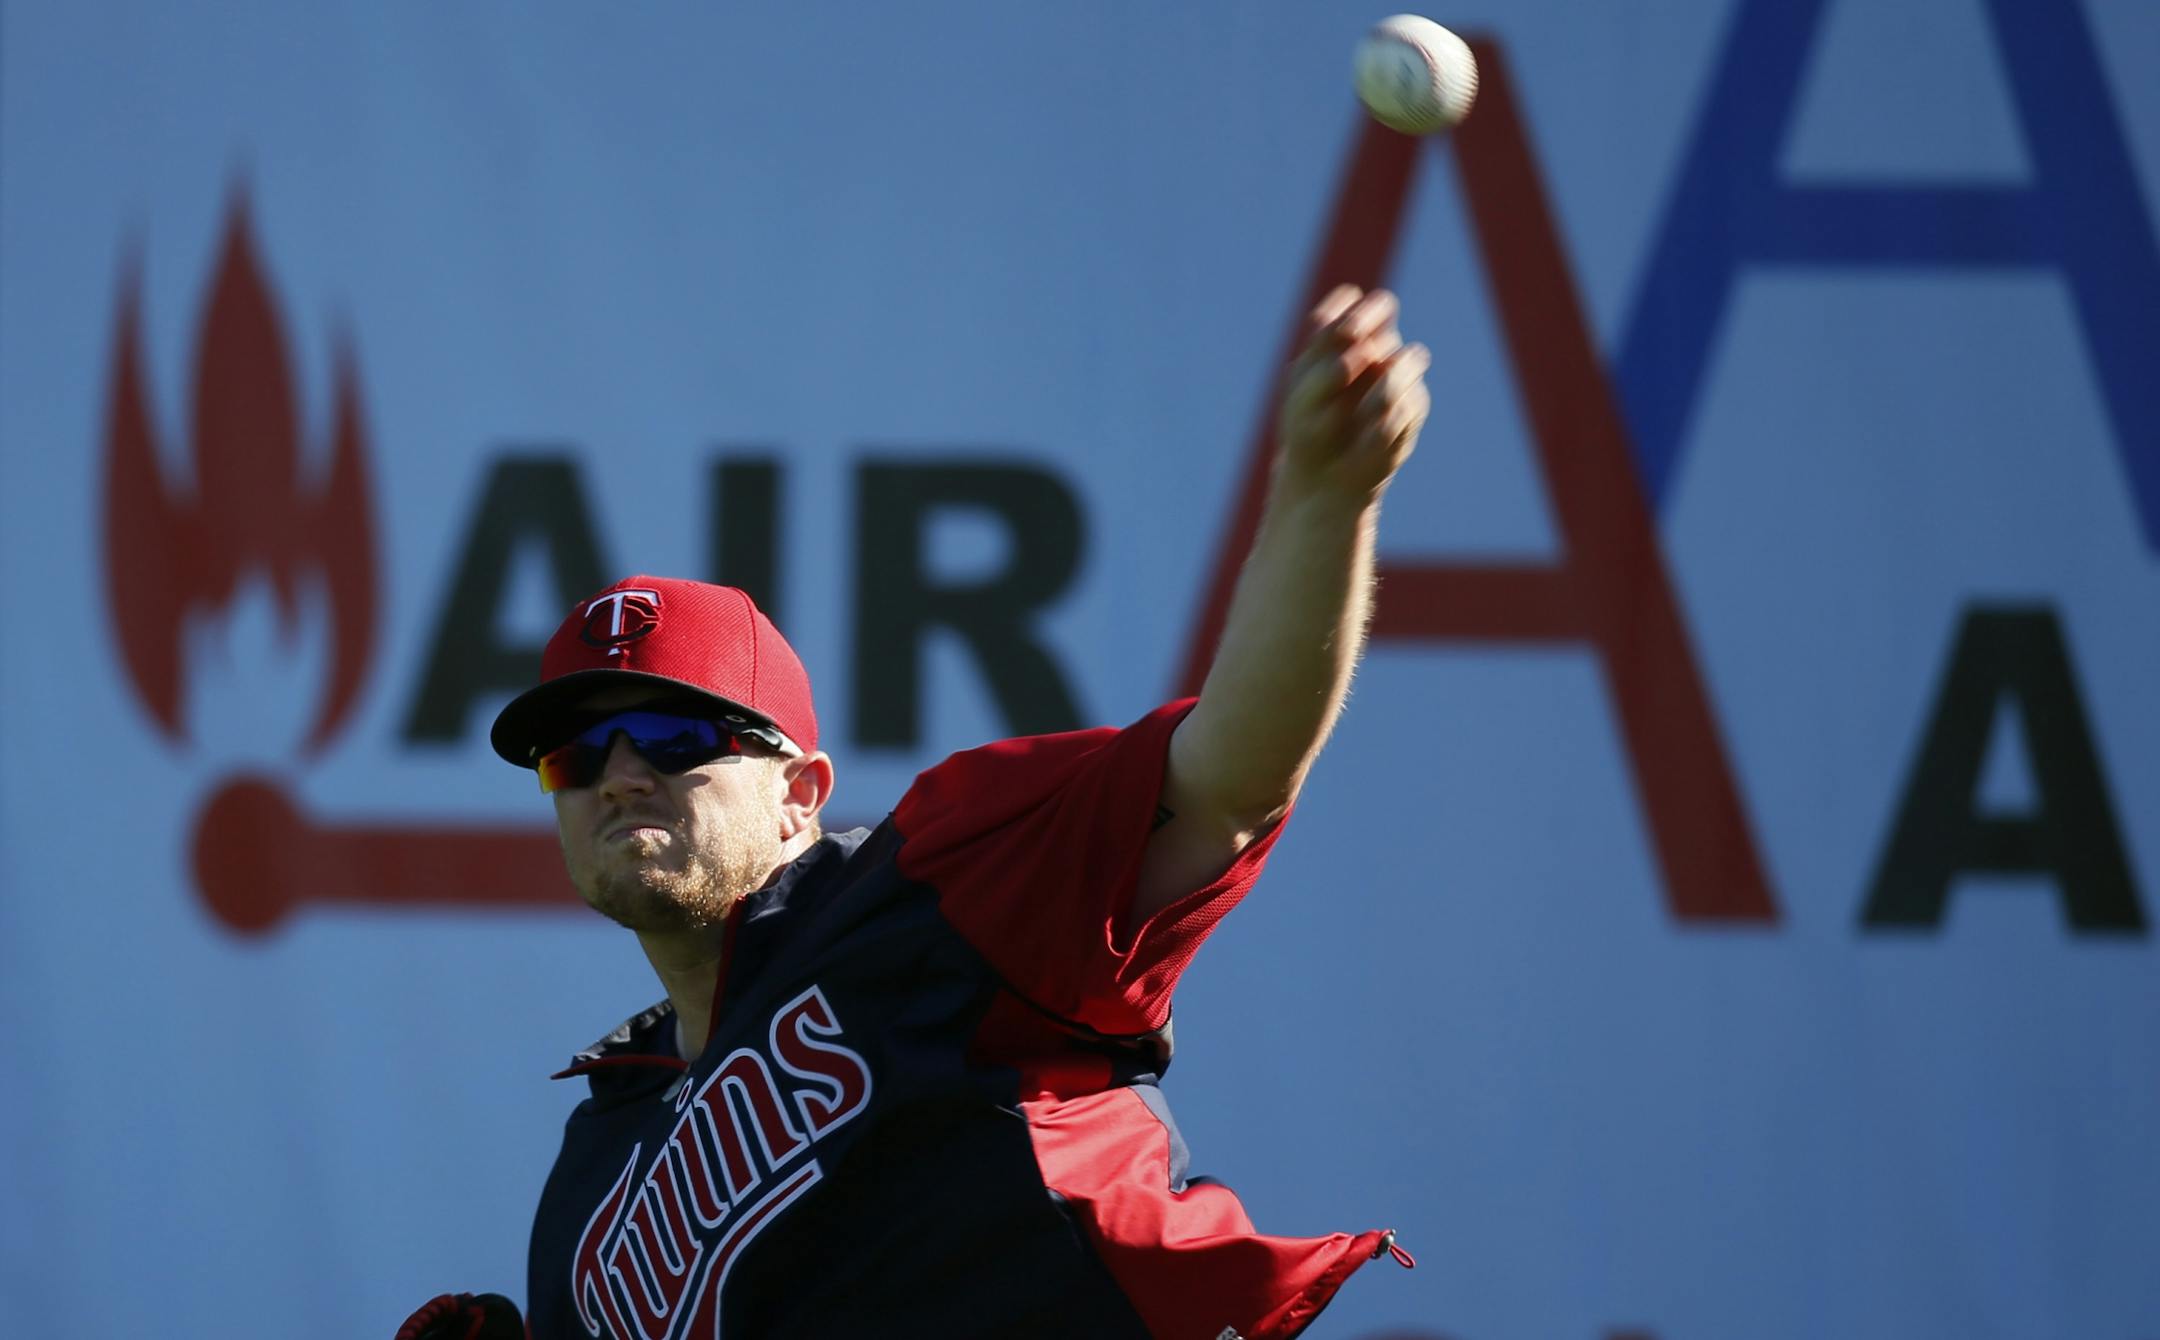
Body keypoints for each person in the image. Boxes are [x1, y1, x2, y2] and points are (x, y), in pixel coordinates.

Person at [398, 285, 1431, 1340]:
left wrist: (1324, 500)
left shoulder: (936, 893)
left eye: (673, 736)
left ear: (800, 793)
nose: (619, 775)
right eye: (575, 754)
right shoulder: (596, 1174)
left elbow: (1231, 776)